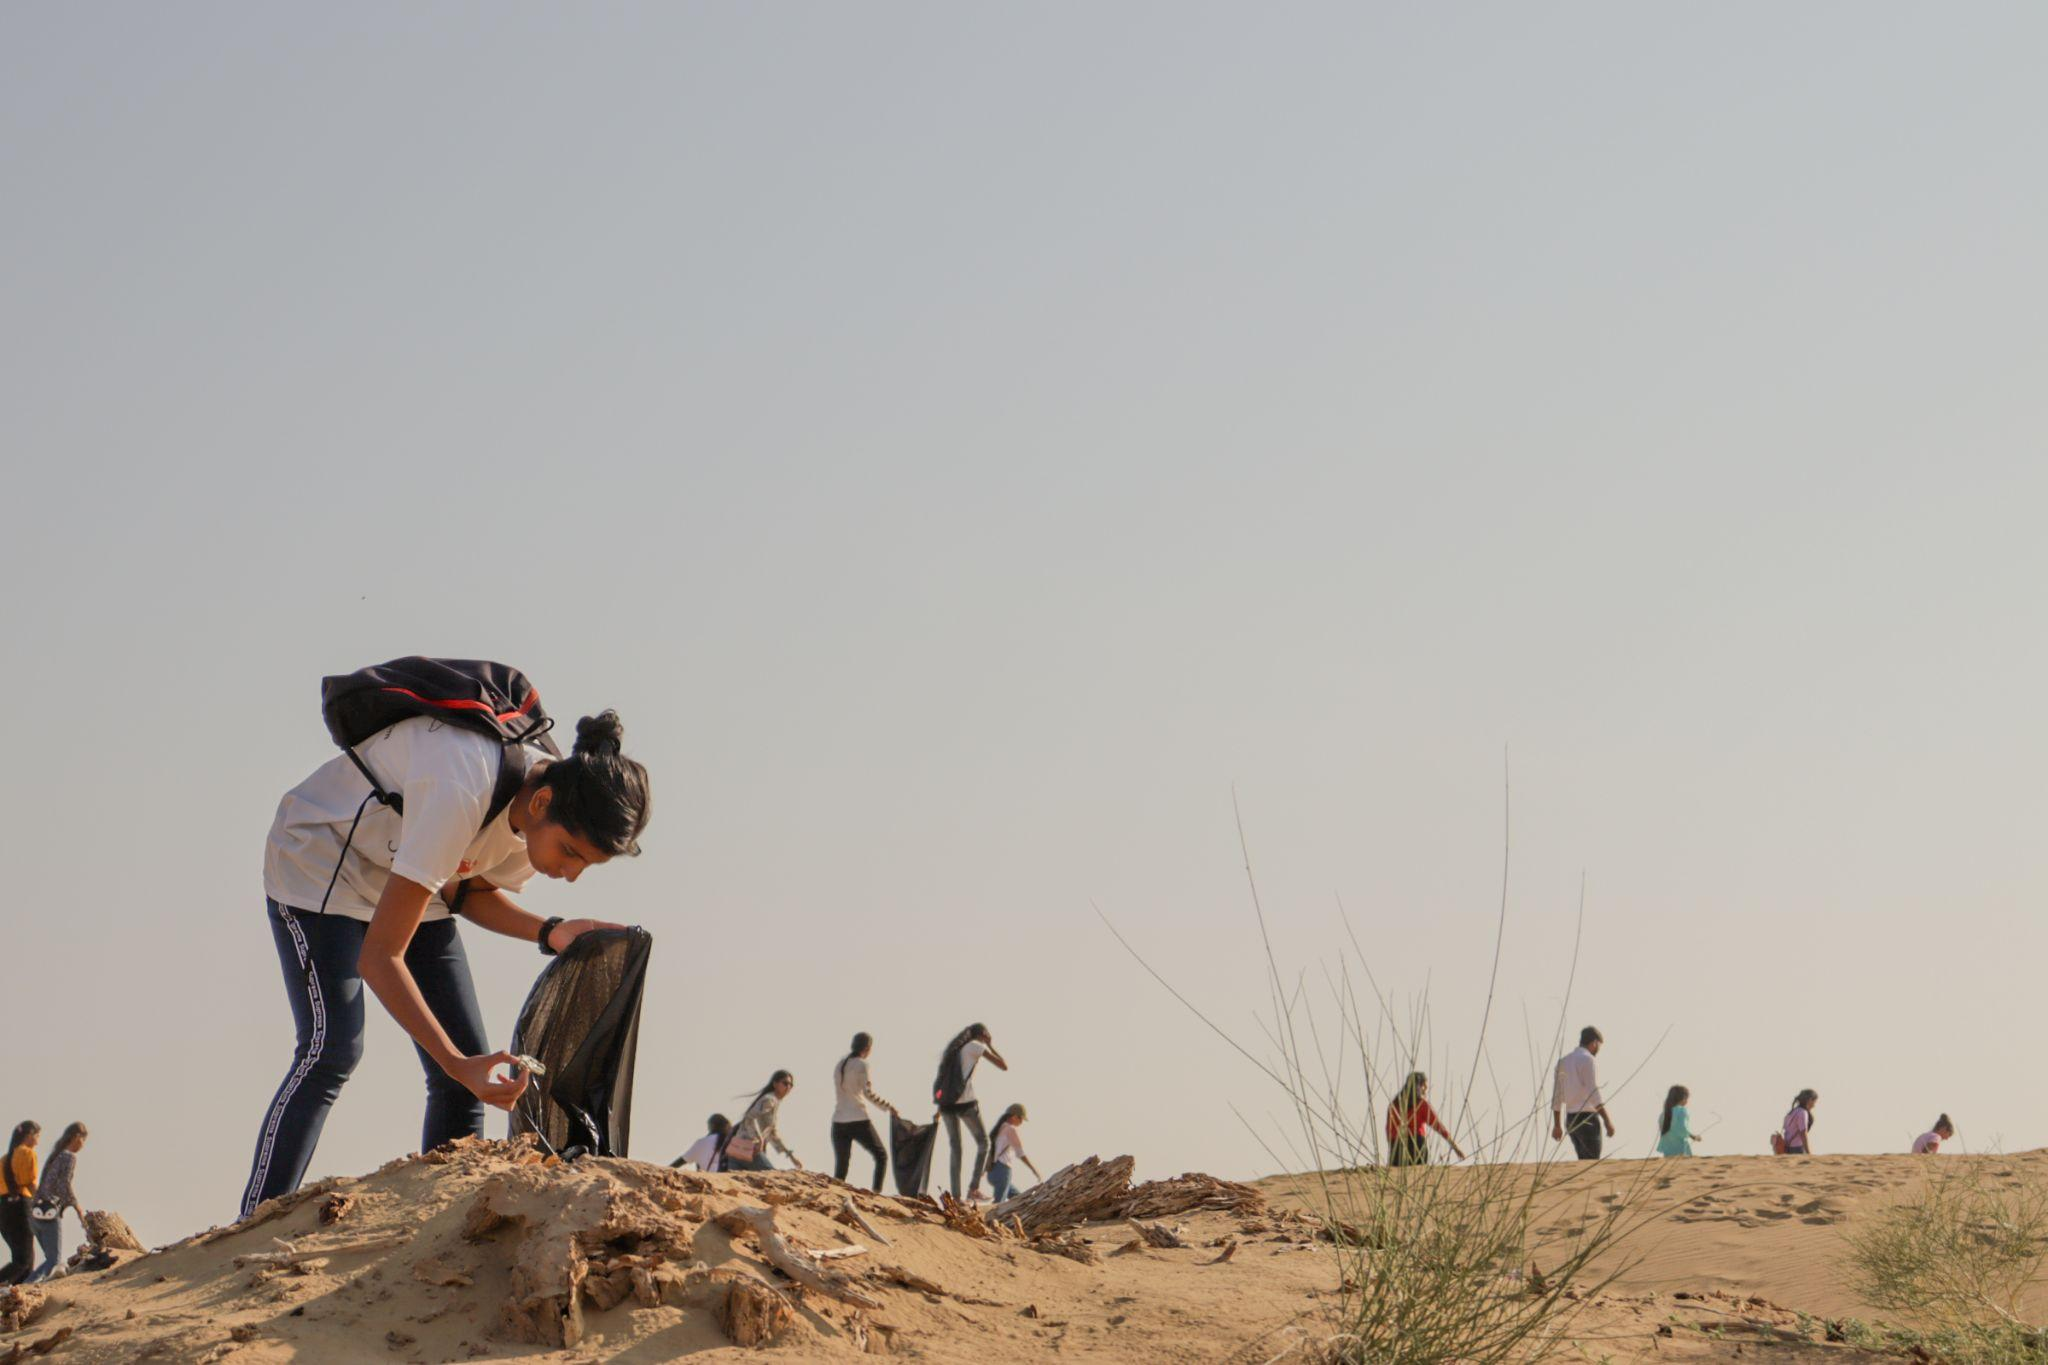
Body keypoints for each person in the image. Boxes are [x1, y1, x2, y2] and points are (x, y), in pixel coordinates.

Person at [242, 706, 651, 1216]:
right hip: (322, 863)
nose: (569, 874)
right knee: (334, 1048)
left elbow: (466, 891)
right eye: (570, 853)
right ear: (542, 801)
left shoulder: (542, 808)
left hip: (409, 872)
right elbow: (380, 957)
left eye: (585, 865)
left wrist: (550, 931)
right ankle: (254, 1219)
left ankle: (444, 1229)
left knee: (468, 1067)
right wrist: (458, 1065)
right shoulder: (462, 787)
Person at [934, 1024, 1008, 1201]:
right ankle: (973, 1189)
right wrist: (990, 1045)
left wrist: (939, 1108)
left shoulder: (954, 1050)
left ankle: (956, 1196)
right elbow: (1003, 1065)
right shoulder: (976, 1046)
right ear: (983, 1034)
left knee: (956, 1149)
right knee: (984, 1142)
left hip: (947, 1104)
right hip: (965, 1103)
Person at [831, 1033, 898, 1193]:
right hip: (858, 1118)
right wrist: (889, 1107)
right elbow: (868, 1094)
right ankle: (876, 1192)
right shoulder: (862, 1065)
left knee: (842, 1164)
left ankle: (834, 1193)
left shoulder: (840, 1064)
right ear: (867, 1048)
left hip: (839, 1120)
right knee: (881, 1155)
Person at [26, 1123, 85, 1283]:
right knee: (54, 1261)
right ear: (76, 1137)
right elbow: (63, 1185)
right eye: (83, 1140)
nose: (83, 1145)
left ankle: (28, 1286)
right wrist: (76, 1206)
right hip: (49, 1212)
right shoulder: (68, 1156)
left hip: (35, 1213)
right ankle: (25, 1287)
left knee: (50, 1260)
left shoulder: (55, 1155)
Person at [1550, 1027, 1614, 1160]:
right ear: (1594, 1043)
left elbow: (1557, 1096)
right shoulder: (1587, 1059)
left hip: (1571, 1119)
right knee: (1591, 1161)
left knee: (1583, 1160)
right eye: (1599, 1046)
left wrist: (1557, 1125)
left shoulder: (1563, 1062)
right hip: (1587, 1118)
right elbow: (1593, 1093)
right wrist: (1607, 1120)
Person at [721, 1072, 801, 1172]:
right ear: (775, 1084)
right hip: (750, 1149)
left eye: (791, 1085)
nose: (788, 1087)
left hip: (737, 1150)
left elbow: (772, 1134)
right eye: (785, 1083)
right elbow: (750, 1117)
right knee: (772, 1178)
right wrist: (759, 1139)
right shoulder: (769, 1100)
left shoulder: (773, 1101)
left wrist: (790, 1156)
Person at [1385, 1073, 1466, 1166]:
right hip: (1416, 1146)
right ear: (1418, 1086)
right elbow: (1439, 1126)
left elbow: (1389, 1131)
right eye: (1424, 1087)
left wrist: (1393, 1146)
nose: (1425, 1091)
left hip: (1397, 1147)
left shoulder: (1393, 1105)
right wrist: (1455, 1147)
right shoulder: (1421, 1105)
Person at [1, 1122, 38, 1285]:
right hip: (19, 1205)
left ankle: (17, 1294)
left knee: (25, 1262)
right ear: (29, 1135)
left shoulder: (4, 1158)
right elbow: (28, 1182)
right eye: (37, 1136)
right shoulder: (27, 1153)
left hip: (3, 1207)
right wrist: (43, 1201)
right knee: (24, 1260)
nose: (37, 1141)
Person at [987, 1104, 1042, 1201]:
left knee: (1020, 1199)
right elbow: (1020, 1153)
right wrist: (1034, 1169)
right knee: (998, 1205)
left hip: (992, 1171)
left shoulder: (998, 1129)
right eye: (1021, 1119)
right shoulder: (1011, 1130)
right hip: (1002, 1170)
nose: (1021, 1122)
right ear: (1014, 1117)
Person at [1655, 1085, 1703, 1157]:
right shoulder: (1681, 1110)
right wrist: (1693, 1136)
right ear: (1684, 1098)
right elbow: (1682, 1128)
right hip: (1680, 1147)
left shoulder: (1664, 1113)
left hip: (1667, 1148)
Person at [1781, 1089, 1819, 1155]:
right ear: (1810, 1100)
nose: (1814, 1105)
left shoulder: (1793, 1112)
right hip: (1797, 1148)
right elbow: (1803, 1133)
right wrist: (1809, 1152)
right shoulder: (1802, 1113)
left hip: (1788, 1147)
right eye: (1815, 1101)